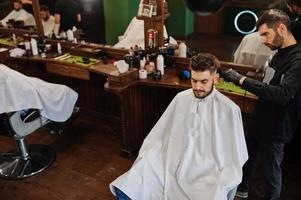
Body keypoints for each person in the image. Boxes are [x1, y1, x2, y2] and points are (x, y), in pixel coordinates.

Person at [109, 53, 248, 200]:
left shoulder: (229, 109)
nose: (198, 87)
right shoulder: (181, 98)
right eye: (194, 80)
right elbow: (160, 135)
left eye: (204, 81)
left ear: (216, 79)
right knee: (132, 181)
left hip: (206, 171)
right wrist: (153, 154)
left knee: (214, 192)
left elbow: (235, 156)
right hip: (171, 160)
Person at [220, 9, 301, 199]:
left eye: (266, 34)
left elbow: (282, 94)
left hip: (277, 126)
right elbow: (271, 81)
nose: (263, 40)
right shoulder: (279, 53)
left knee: (271, 173)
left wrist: (241, 80)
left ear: (281, 28)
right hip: (262, 118)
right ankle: (241, 191)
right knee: (247, 158)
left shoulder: (298, 59)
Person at [0, 63, 78, 123]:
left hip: (6, 113)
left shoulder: (4, 71)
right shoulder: (4, 72)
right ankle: (64, 109)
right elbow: (27, 89)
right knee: (62, 90)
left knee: (40, 86)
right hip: (22, 108)